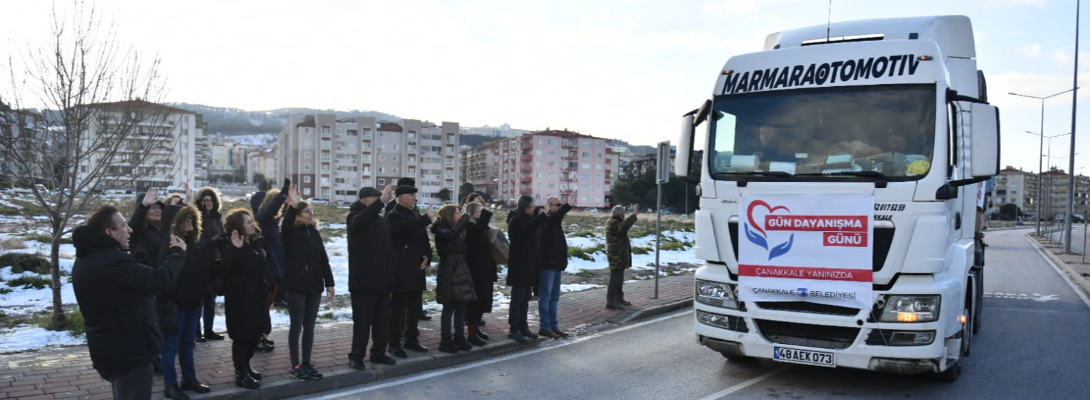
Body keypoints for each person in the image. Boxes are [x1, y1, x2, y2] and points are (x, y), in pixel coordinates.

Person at [72, 204, 187, 400]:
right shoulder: (112, 262)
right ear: (109, 232)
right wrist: (177, 253)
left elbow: (124, 290)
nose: (130, 230)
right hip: (129, 353)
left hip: (113, 348)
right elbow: (158, 280)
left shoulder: (88, 258)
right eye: (124, 226)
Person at [155, 205, 212, 399]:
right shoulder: (171, 243)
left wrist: (200, 291)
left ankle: (189, 379)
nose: (190, 223)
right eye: (185, 220)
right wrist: (179, 295)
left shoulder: (193, 243)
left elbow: (199, 272)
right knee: (170, 345)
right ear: (176, 223)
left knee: (188, 343)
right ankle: (170, 385)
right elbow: (163, 276)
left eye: (192, 220)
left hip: (193, 303)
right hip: (175, 304)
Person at [280, 186, 335, 381]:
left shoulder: (314, 233)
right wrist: (293, 206)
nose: (311, 214)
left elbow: (323, 260)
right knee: (297, 327)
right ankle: (295, 364)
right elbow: (285, 226)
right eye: (307, 211)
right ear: (297, 216)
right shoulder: (290, 233)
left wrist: (329, 283)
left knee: (310, 327)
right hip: (295, 286)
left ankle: (306, 362)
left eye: (312, 211)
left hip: (314, 286)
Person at [217, 208, 272, 390]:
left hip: (256, 298)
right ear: (238, 226)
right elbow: (224, 268)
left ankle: (246, 367)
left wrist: (256, 242)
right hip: (240, 300)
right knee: (242, 338)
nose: (252, 225)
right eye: (248, 222)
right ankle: (241, 373)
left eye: (251, 221)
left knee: (254, 335)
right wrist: (235, 250)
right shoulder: (230, 243)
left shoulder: (251, 243)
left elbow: (260, 266)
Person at [346, 185, 398, 369]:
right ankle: (356, 356)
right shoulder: (355, 217)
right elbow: (362, 221)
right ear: (365, 200)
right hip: (364, 281)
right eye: (375, 199)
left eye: (380, 199)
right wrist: (382, 202)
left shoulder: (379, 220)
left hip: (383, 280)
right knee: (362, 323)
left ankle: (378, 353)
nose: (379, 202)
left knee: (382, 322)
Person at [386, 184, 436, 358]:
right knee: (398, 308)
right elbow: (402, 229)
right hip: (401, 269)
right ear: (400, 197)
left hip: (417, 268)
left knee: (415, 307)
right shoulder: (393, 215)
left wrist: (427, 255)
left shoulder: (414, 214)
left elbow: (423, 237)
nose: (415, 198)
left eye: (415, 195)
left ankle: (411, 339)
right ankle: (393, 343)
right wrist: (425, 219)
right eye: (411, 195)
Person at [249, 180, 291, 352]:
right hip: (266, 273)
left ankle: (261, 336)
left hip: (274, 272)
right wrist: (281, 196)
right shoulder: (260, 221)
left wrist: (288, 204)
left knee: (267, 307)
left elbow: (280, 214)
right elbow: (270, 211)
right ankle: (256, 338)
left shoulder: (271, 222)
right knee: (261, 307)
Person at [432, 204, 477, 353]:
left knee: (461, 304)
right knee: (449, 305)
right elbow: (450, 235)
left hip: (460, 267)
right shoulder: (441, 228)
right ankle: (445, 340)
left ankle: (459, 336)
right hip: (449, 270)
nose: (459, 215)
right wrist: (464, 219)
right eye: (457, 213)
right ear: (450, 215)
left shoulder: (455, 227)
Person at [506, 195, 547, 343]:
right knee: (517, 298)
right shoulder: (516, 220)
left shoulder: (528, 218)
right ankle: (514, 329)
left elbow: (534, 229)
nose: (535, 208)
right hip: (519, 264)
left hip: (529, 264)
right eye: (533, 206)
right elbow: (525, 231)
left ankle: (524, 327)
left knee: (525, 298)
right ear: (527, 208)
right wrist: (541, 218)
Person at [537, 193, 576, 338]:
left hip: (556, 265)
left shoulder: (555, 222)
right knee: (545, 297)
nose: (559, 207)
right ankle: (545, 326)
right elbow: (554, 218)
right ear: (548, 206)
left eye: (560, 205)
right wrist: (567, 206)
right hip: (547, 265)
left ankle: (553, 326)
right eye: (557, 205)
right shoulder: (546, 220)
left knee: (554, 298)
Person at [462, 194, 496, 346]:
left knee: (482, 300)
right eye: (480, 212)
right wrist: (486, 212)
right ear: (473, 213)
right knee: (474, 303)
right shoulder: (469, 227)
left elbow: (484, 229)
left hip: (484, 268)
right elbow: (478, 229)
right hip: (474, 269)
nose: (482, 215)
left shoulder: (478, 225)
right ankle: (471, 334)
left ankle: (476, 330)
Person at [194, 186, 226, 342]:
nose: (208, 203)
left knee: (210, 300)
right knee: (199, 300)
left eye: (211, 200)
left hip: (216, 262)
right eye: (205, 200)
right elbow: (200, 242)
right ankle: (197, 332)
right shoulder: (198, 218)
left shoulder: (217, 217)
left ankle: (209, 329)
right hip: (201, 263)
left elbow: (221, 236)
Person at [606, 204, 639, 310]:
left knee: (619, 278)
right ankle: (611, 302)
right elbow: (622, 228)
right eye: (624, 213)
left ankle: (619, 299)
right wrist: (633, 215)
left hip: (618, 255)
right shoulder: (613, 223)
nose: (624, 215)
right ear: (620, 214)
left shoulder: (615, 222)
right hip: (616, 256)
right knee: (615, 279)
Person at [129, 187, 167, 266]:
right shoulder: (137, 230)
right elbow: (135, 222)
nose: (158, 211)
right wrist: (143, 205)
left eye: (159, 208)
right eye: (153, 208)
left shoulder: (162, 230)